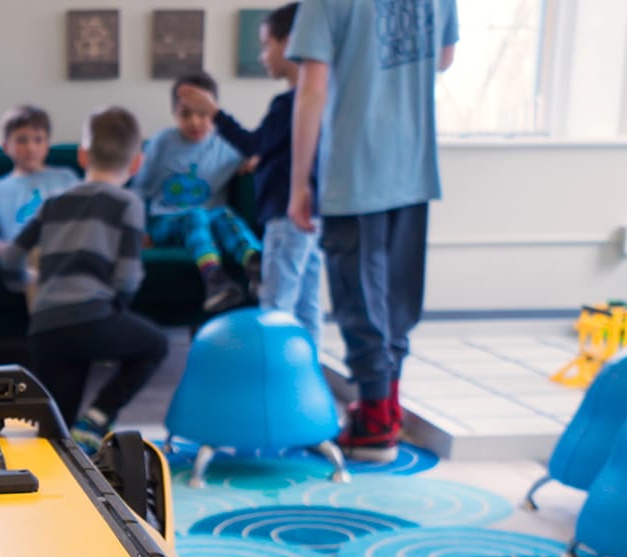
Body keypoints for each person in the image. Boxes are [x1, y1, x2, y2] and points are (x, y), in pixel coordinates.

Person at [287, 0, 458, 462]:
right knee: (397, 299)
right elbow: (444, 57)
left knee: (357, 294)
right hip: (414, 165)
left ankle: (374, 425)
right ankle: (385, 406)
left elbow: (312, 91)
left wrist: (300, 182)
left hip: (355, 169)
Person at [0, 107, 169, 453]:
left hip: (45, 326)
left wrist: (23, 281)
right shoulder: (128, 203)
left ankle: (51, 474)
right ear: (137, 163)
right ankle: (98, 416)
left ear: (82, 154)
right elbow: (129, 277)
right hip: (93, 319)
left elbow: (11, 257)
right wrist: (115, 306)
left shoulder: (53, 201)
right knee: (155, 345)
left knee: (57, 431)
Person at [176, 4, 322, 344]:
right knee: (306, 303)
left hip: (288, 217)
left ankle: (272, 378)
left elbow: (253, 143)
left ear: (290, 43)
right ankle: (308, 371)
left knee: (276, 303)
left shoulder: (290, 104)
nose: (262, 56)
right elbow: (271, 149)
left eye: (265, 45)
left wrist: (214, 113)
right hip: (313, 217)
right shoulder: (311, 102)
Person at [131, 72, 263, 314]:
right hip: (165, 222)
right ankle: (214, 279)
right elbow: (139, 189)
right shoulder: (162, 142)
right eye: (185, 114)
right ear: (174, 113)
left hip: (210, 219)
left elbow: (262, 149)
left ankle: (255, 265)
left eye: (202, 113)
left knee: (222, 213)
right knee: (196, 215)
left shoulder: (227, 145)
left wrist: (255, 160)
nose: (194, 122)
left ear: (214, 111)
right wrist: (139, 229)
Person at [0, 105, 80, 249]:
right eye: (22, 140)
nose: (31, 147)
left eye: (38, 140)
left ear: (47, 145)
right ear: (5, 147)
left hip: (60, 246)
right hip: (19, 252)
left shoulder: (65, 178)